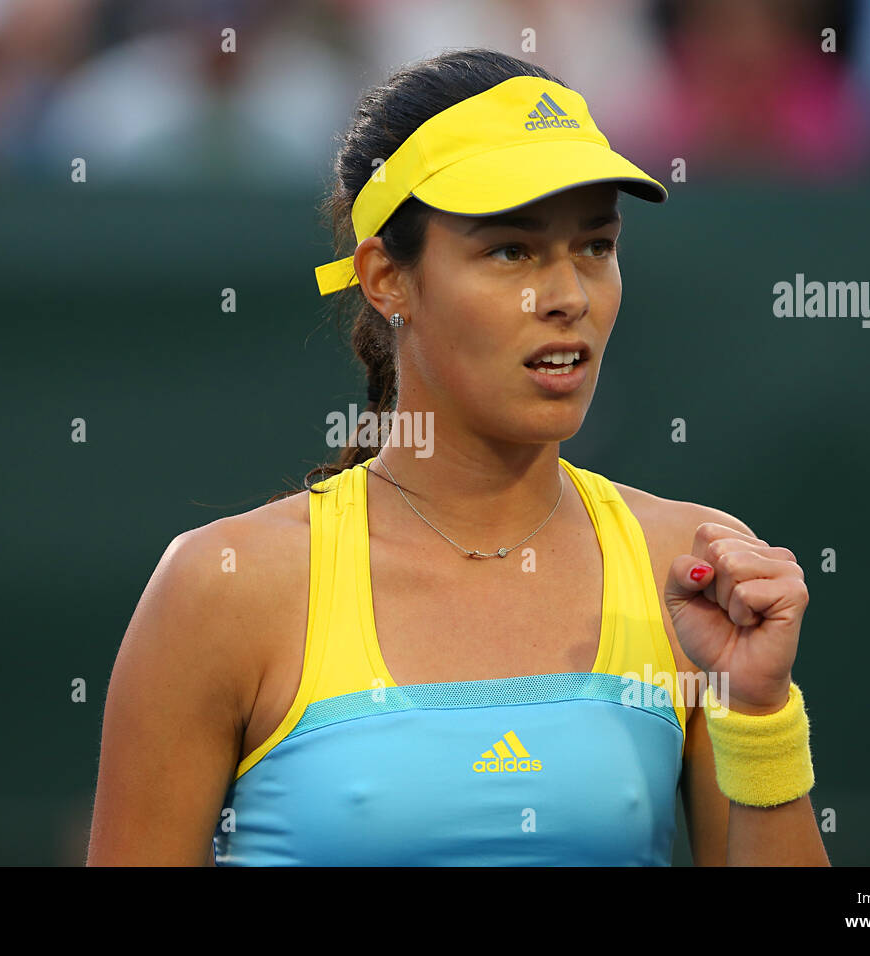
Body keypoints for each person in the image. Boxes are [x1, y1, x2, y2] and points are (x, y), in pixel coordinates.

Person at [86, 48, 829, 866]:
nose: (568, 295)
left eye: (595, 247)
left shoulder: (689, 569)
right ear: (385, 279)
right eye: (510, 251)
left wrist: (759, 714)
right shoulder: (220, 588)